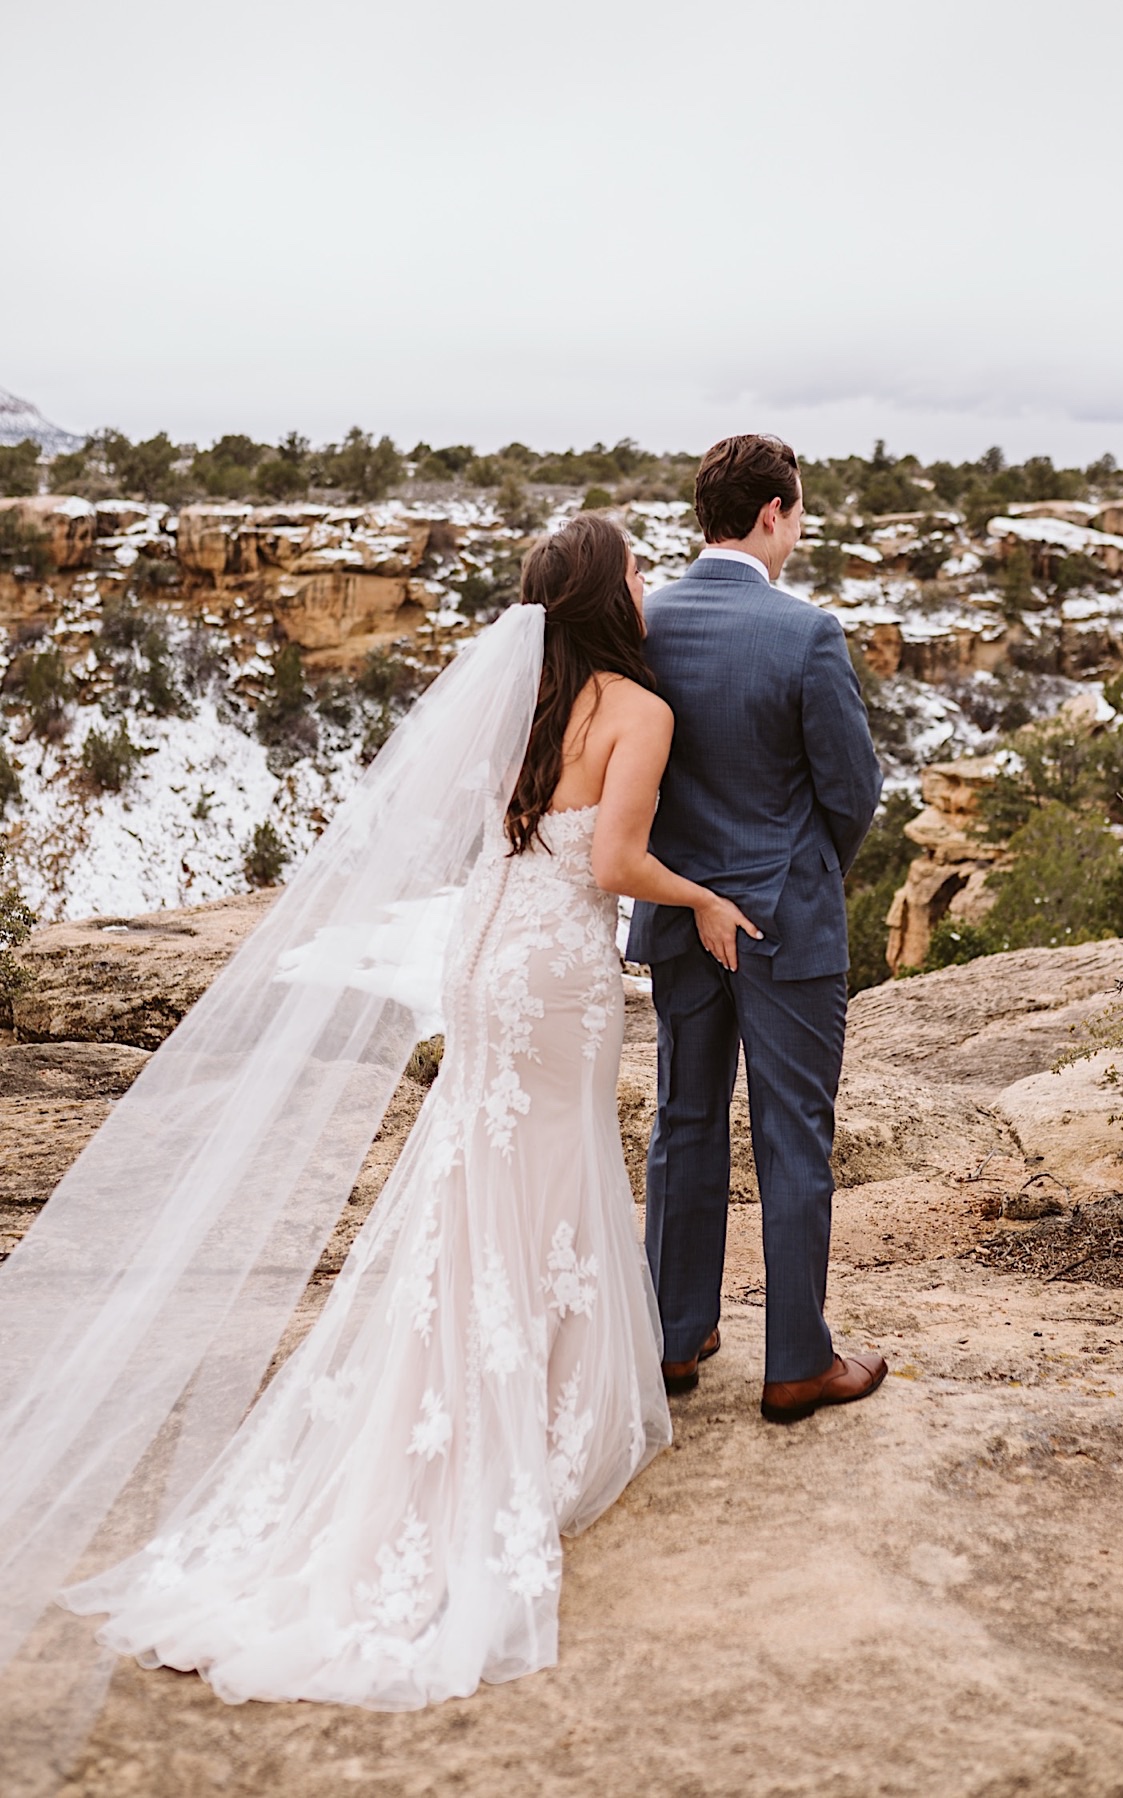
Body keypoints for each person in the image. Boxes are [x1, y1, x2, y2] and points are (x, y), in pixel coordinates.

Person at [47, 513, 760, 1711]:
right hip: (555, 976)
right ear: (603, 595)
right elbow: (613, 865)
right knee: (549, 1171)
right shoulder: (641, 713)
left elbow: (516, 843)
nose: (650, 586)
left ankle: (474, 1388)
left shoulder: (522, 704)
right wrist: (706, 896)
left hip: (480, 965)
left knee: (479, 1179)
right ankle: (531, 1411)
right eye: (637, 570)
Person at [626, 434, 888, 1425]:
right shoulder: (806, 632)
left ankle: (674, 1336)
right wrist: (802, 872)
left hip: (679, 907)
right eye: (800, 509)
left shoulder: (646, 621)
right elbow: (853, 790)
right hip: (785, 922)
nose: (801, 525)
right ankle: (796, 1362)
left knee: (684, 1120)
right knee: (792, 1136)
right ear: (773, 512)